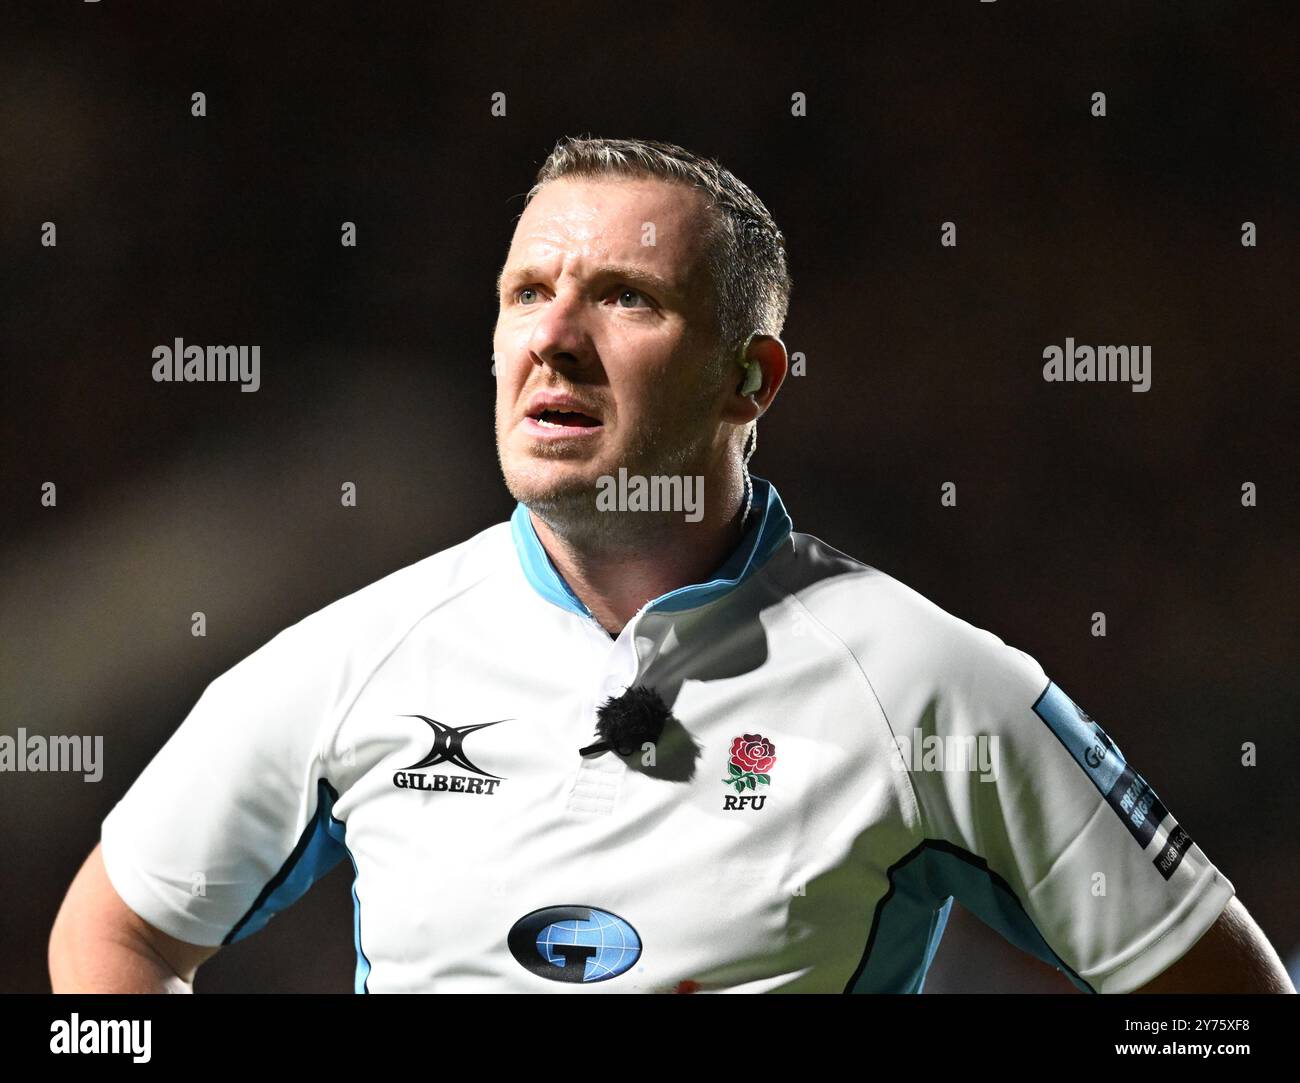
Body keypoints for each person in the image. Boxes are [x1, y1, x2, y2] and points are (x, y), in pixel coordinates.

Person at [49, 136, 1292, 994]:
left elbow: (1220, 996)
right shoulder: (351, 659)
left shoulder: (926, 684)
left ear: (748, 380)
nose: (555, 339)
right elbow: (113, 937)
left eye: (627, 299)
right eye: (527, 291)